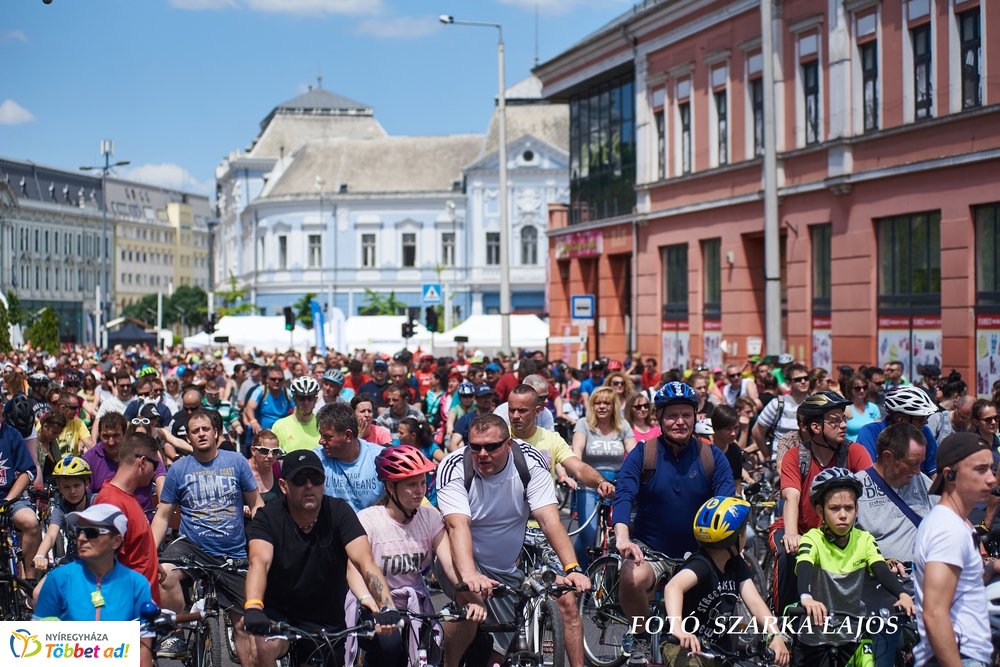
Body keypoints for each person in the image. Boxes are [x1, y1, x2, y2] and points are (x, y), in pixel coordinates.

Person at [436, 414, 592, 667]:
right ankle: (449, 663)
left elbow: (549, 520)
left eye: (492, 446)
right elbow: (457, 524)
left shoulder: (528, 461)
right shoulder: (454, 465)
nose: (482, 453)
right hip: (461, 559)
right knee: (471, 607)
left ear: (509, 444)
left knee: (498, 656)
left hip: (507, 567)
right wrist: (469, 575)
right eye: (475, 447)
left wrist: (572, 568)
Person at [612, 381, 735, 665]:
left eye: (686, 415)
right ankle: (641, 637)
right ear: (659, 418)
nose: (679, 421)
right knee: (631, 577)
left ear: (696, 417)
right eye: (671, 415)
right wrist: (622, 536)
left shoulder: (712, 456)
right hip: (651, 548)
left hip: (700, 552)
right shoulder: (644, 454)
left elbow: (728, 505)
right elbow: (624, 495)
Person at [243, 449, 400, 667]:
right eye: (299, 479)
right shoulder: (268, 518)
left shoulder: (339, 512)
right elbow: (259, 562)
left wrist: (387, 608)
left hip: (327, 622)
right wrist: (253, 607)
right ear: (283, 486)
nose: (309, 485)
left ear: (323, 482)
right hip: (279, 617)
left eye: (315, 478)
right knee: (261, 648)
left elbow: (366, 562)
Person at [344, 445, 485, 666]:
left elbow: (450, 566)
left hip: (415, 605)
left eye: (422, 483)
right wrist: (372, 604)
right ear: (390, 487)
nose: (420, 491)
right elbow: (355, 572)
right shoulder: (368, 520)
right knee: (390, 650)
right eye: (411, 485)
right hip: (374, 605)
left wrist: (474, 600)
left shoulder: (430, 518)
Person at [151, 409, 262, 663]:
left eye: (205, 429)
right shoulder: (178, 469)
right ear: (188, 437)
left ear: (215, 433)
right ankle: (177, 633)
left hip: (233, 552)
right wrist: (150, 551)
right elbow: (163, 516)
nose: (200, 434)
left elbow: (256, 505)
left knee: (245, 625)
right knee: (164, 574)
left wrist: (264, 543)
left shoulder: (236, 462)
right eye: (194, 431)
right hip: (191, 546)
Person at [767, 391, 873, 617]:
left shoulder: (855, 452)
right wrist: (793, 534)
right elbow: (791, 497)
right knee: (787, 555)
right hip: (797, 528)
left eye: (844, 418)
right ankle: (781, 623)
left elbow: (872, 499)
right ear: (815, 427)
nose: (843, 425)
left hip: (839, 531)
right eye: (835, 420)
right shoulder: (796, 456)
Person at [795, 468, 914, 667]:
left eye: (849, 508)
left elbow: (880, 569)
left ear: (857, 509)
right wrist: (807, 599)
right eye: (834, 508)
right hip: (815, 636)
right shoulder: (812, 539)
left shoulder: (864, 540)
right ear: (819, 510)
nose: (843, 515)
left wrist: (902, 594)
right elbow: (805, 567)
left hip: (852, 634)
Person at [662, 496, 789, 666]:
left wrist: (775, 635)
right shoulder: (702, 564)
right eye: (744, 531)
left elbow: (755, 602)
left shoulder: (736, 564)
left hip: (719, 649)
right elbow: (673, 587)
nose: (746, 536)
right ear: (734, 538)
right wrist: (678, 628)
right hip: (683, 646)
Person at [32, 504, 155, 667]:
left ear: (116, 541)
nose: (81, 538)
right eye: (79, 531)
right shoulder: (58, 578)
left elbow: (142, 649)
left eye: (91, 532)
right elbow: (37, 643)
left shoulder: (137, 584)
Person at [914, 432, 997, 667]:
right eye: (980, 469)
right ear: (950, 475)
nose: (991, 479)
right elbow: (935, 613)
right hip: (959, 657)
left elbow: (962, 581)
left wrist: (991, 567)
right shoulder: (948, 530)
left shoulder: (958, 524)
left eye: (991, 469)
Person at [93, 432, 161, 603]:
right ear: (143, 462)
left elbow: (131, 547)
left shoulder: (127, 497)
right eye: (156, 464)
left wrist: (152, 562)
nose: (156, 471)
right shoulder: (111, 502)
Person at [572, 386, 635, 566]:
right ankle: (580, 571)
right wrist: (576, 468)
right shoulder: (583, 424)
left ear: (613, 406)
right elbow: (577, 449)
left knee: (619, 532)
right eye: (598, 403)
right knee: (589, 534)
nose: (602, 407)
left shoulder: (623, 425)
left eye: (606, 403)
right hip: (589, 482)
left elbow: (633, 452)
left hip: (616, 483)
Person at [84, 411, 165, 518]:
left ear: (125, 433)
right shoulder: (89, 458)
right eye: (106, 436)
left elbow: (160, 475)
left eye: (116, 435)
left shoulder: (141, 449)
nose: (111, 442)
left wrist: (163, 503)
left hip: (145, 517)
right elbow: (85, 496)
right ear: (99, 433)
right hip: (108, 520)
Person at [314, 402, 385, 511]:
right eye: (321, 435)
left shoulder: (380, 458)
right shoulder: (317, 458)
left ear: (348, 436)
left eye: (328, 437)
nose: (321, 441)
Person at [0, 397, 42, 581]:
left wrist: (8, 500)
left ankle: (30, 583)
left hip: (9, 499)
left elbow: (27, 472)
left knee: (31, 522)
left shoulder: (12, 435)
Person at [856, 386, 939, 476]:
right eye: (921, 419)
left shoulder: (924, 431)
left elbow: (934, 473)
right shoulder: (870, 433)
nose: (926, 422)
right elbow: (870, 474)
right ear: (901, 420)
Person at [752, 363, 812, 458]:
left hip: (808, 462)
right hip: (781, 463)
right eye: (798, 379)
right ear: (789, 383)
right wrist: (768, 456)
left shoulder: (815, 404)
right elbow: (757, 431)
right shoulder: (777, 404)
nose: (803, 381)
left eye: (806, 378)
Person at [270, 375, 321, 453]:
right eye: (302, 398)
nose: (306, 402)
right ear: (294, 399)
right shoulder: (279, 426)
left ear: (316, 399)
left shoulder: (323, 424)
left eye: (310, 398)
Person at [243, 365, 294, 436]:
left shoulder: (288, 393)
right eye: (273, 379)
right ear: (267, 379)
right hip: (262, 431)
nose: (277, 381)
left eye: (280, 379)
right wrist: (254, 422)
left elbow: (296, 408)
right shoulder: (261, 391)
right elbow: (249, 407)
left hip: (282, 431)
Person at [709, 405, 746, 496]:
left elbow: (737, 482)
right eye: (728, 429)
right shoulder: (703, 447)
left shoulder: (735, 451)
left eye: (736, 428)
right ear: (716, 428)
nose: (733, 433)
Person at [248, 429, 284, 505]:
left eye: (275, 451)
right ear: (253, 450)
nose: (270, 456)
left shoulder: (280, 468)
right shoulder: (242, 469)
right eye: (264, 451)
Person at [844, 375, 882, 441]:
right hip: (850, 448)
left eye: (865, 387)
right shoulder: (846, 408)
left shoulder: (873, 408)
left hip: (869, 448)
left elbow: (878, 431)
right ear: (850, 390)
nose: (862, 390)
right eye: (857, 388)